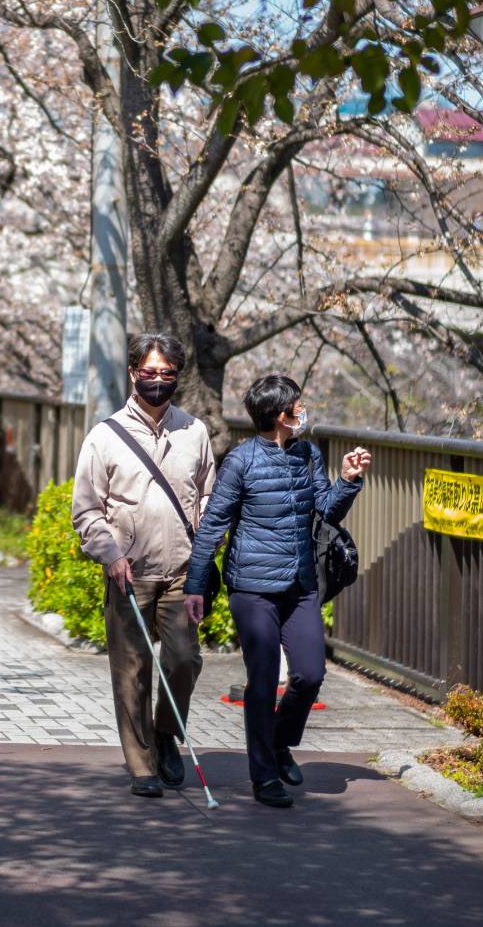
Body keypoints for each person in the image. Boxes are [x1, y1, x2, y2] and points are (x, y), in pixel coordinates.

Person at [184, 374, 369, 808]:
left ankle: (281, 741)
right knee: (263, 680)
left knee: (309, 674)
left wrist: (348, 481)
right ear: (280, 415)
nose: (303, 412)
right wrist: (196, 584)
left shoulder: (307, 454)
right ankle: (264, 776)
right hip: (251, 587)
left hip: (300, 584)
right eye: (298, 407)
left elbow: (327, 511)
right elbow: (213, 525)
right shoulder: (241, 461)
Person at [70, 332, 216, 798]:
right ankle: (141, 765)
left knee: (183, 660)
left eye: (166, 374)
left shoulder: (194, 431)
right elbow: (86, 509)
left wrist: (204, 554)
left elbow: (210, 498)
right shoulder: (104, 436)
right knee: (131, 670)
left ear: (178, 377)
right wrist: (110, 555)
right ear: (133, 373)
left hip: (181, 571)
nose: (157, 381)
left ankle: (165, 733)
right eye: (149, 373)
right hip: (128, 572)